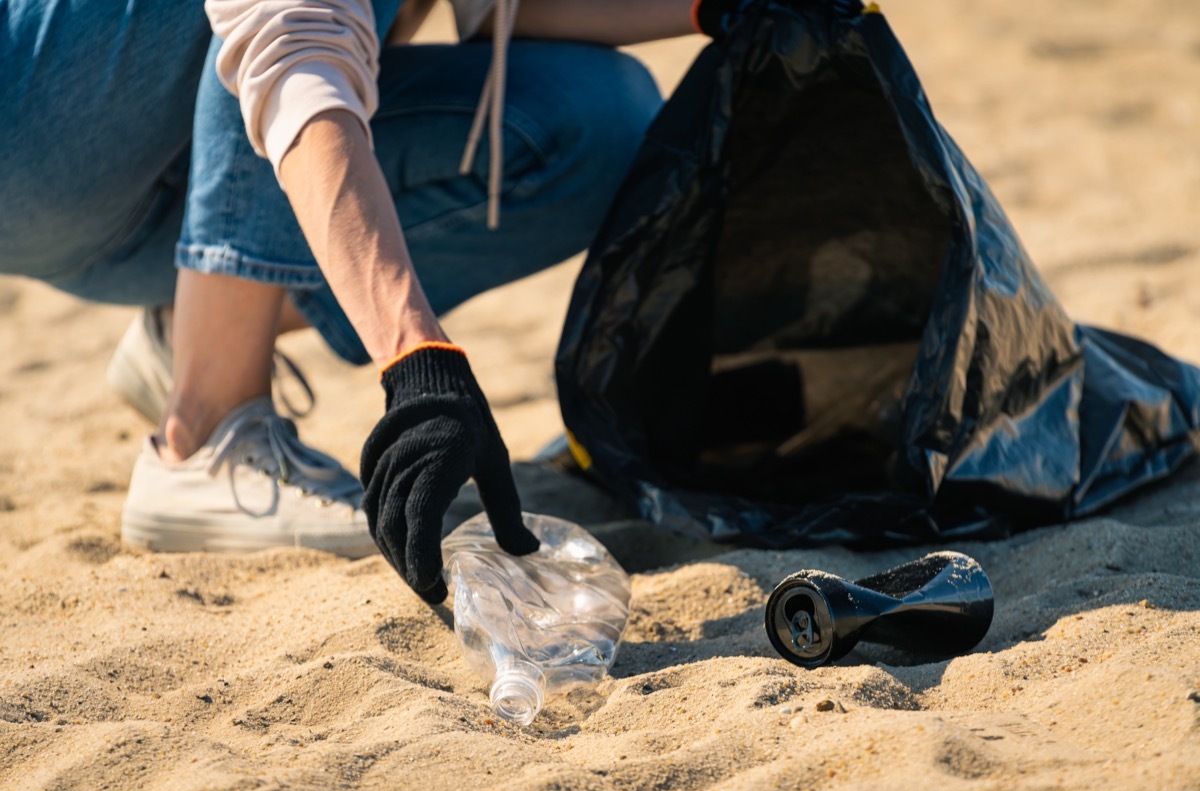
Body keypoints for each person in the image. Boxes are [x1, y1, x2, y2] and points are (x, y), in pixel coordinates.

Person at [1, 0, 743, 603]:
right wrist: (418, 358)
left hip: (149, 198)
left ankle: (202, 326)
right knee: (289, 33)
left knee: (599, 121)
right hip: (36, 142)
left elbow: (507, 12)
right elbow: (289, 45)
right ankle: (205, 429)